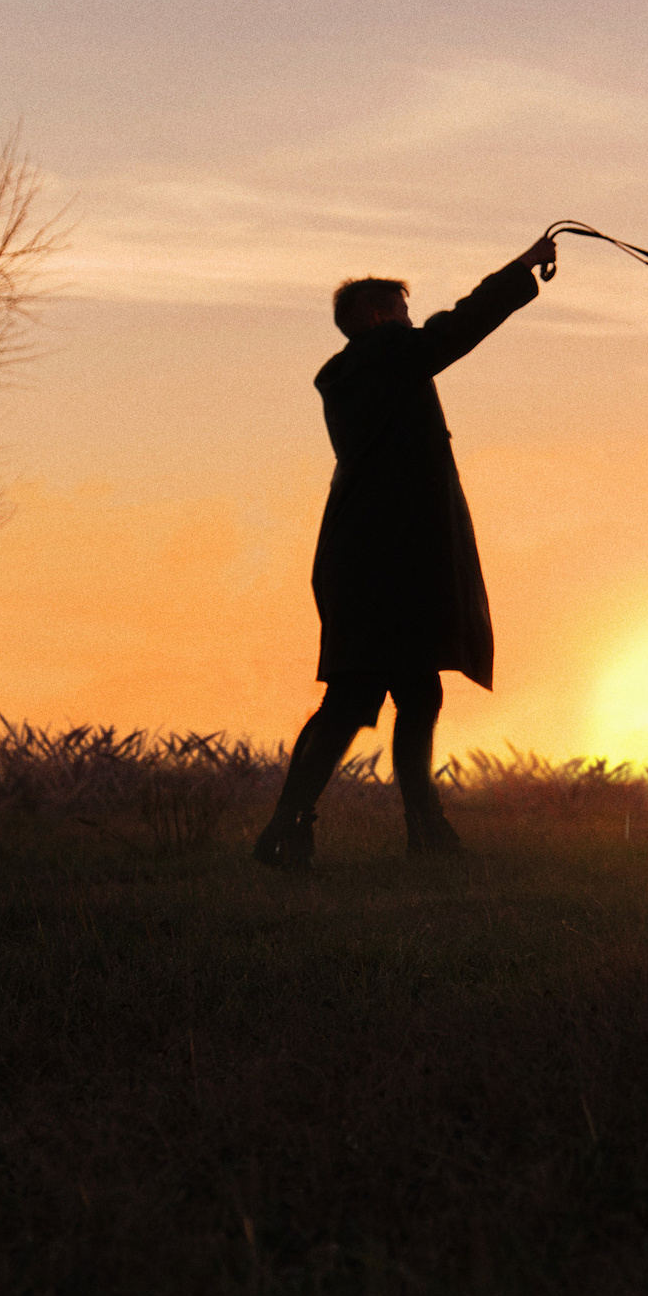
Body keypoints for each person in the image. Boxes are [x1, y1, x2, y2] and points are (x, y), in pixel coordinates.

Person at [253, 232, 560, 868]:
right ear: (374, 318)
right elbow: (457, 328)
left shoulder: (356, 372)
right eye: (400, 311)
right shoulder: (386, 354)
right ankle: (319, 828)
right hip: (387, 562)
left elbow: (441, 333)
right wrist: (521, 269)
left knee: (395, 695)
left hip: (366, 558)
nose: (410, 322)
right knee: (367, 699)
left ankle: (395, 829)